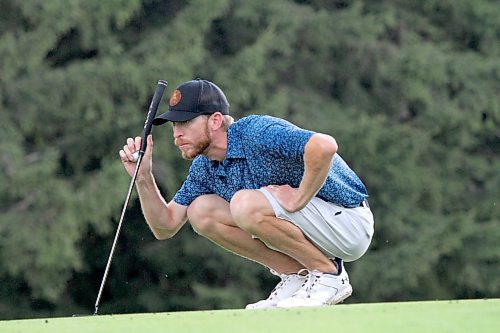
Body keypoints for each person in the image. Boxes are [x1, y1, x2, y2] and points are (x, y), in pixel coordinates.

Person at [119, 79, 374, 309]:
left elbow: (324, 146)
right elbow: (166, 226)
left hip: (348, 221)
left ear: (215, 120)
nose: (177, 135)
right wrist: (144, 178)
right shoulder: (204, 167)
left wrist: (298, 199)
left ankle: (329, 275)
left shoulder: (256, 132)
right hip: (317, 229)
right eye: (174, 125)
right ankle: (297, 276)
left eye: (185, 122)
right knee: (201, 211)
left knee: (244, 203)